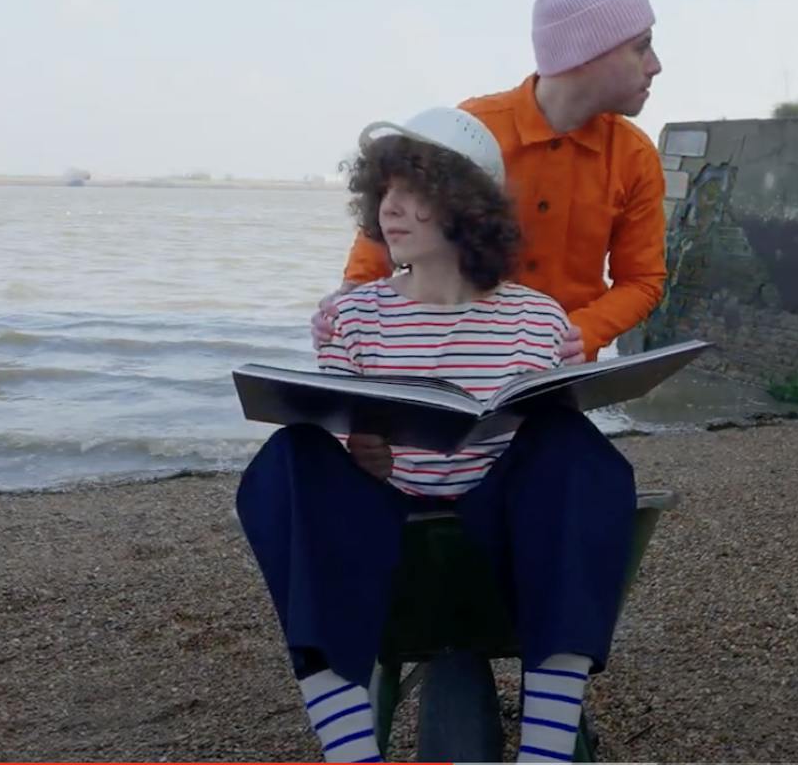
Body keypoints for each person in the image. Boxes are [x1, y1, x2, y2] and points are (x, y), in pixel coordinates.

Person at [237, 107, 636, 764]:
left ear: (466, 205)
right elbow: (337, 437)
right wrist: (357, 451)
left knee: (572, 444)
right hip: (386, 538)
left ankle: (545, 756)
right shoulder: (352, 316)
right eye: (383, 191)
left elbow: (550, 468)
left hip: (504, 537)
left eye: (413, 191)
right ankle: (351, 754)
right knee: (291, 453)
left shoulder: (538, 320)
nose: (390, 209)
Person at [315, 0, 669, 366]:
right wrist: (349, 303)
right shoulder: (468, 130)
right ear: (585, 52)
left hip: (559, 375)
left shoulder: (635, 156)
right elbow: (390, 221)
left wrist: (580, 333)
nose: (655, 65)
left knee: (564, 435)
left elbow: (642, 280)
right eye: (641, 47)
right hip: (449, 360)